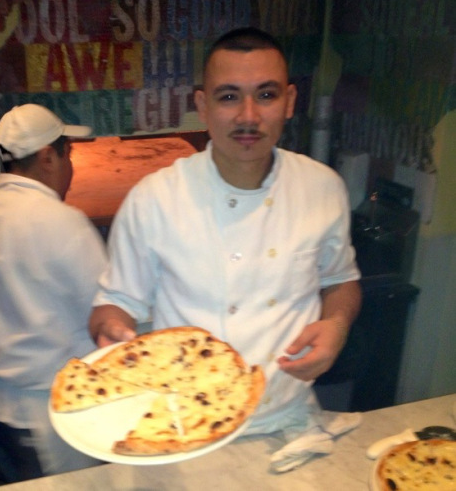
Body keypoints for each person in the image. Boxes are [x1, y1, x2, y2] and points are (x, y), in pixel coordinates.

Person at [89, 27, 362, 436]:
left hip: (288, 419)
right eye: (229, 97)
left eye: (266, 95)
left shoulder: (323, 187)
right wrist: (111, 330)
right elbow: (113, 305)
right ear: (203, 105)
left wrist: (337, 324)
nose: (248, 116)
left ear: (289, 102)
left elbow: (341, 281)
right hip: (184, 427)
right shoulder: (154, 198)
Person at [0, 104, 107, 486]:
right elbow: (105, 315)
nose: (70, 167)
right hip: (53, 415)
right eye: (68, 154)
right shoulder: (65, 223)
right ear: (47, 157)